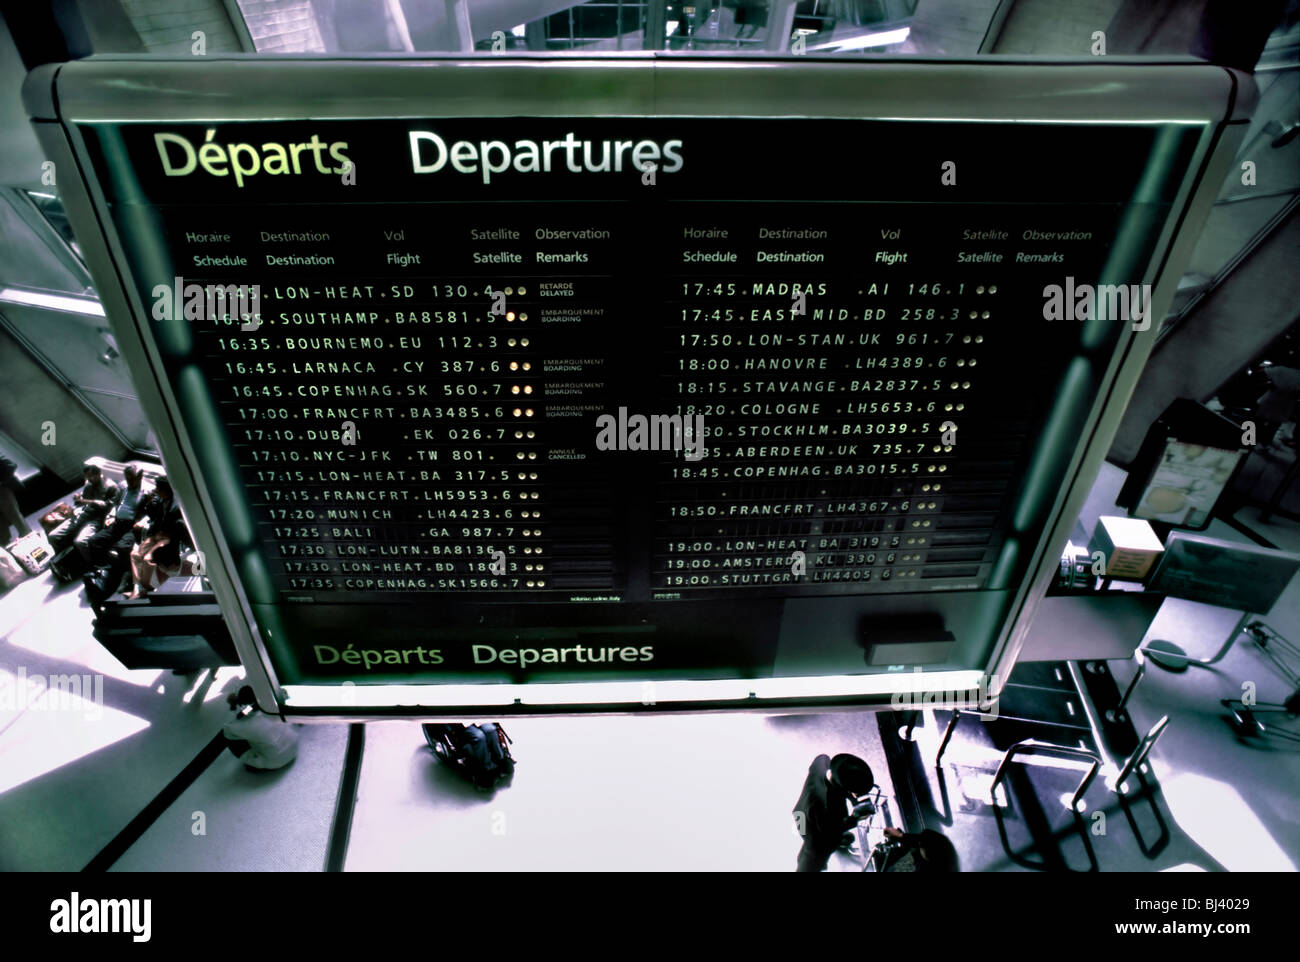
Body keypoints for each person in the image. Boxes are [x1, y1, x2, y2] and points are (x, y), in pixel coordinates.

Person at [793, 753, 874, 872]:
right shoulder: (831, 808)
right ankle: (809, 864)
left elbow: (823, 758)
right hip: (814, 830)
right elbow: (830, 829)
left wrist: (852, 798)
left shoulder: (821, 764)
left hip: (800, 812)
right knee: (815, 852)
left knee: (810, 836)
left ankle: (808, 852)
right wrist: (854, 818)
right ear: (844, 789)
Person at [127, 476, 186, 598]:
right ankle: (138, 587)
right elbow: (154, 517)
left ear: (165, 490)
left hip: (167, 540)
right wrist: (150, 503)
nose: (156, 490)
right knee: (135, 554)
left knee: (147, 559)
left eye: (158, 488)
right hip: (156, 535)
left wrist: (152, 550)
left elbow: (172, 534)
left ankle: (145, 588)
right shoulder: (161, 501)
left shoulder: (175, 507)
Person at [49, 461, 121, 558]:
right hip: (85, 513)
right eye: (87, 477)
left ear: (99, 474)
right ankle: (62, 557)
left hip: (98, 518)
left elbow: (108, 507)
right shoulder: (88, 484)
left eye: (91, 477)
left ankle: (92, 562)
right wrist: (78, 499)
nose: (89, 479)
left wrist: (88, 502)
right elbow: (81, 501)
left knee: (80, 542)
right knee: (53, 536)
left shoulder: (111, 487)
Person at [880, 827, 959, 873]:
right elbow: (920, 839)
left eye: (920, 846)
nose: (919, 845)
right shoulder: (941, 844)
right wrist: (900, 836)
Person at [0, 455, 31, 543]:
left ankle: (27, 536)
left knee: (14, 514)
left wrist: (1, 481)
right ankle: (5, 542)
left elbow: (11, 465)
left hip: (2, 490)